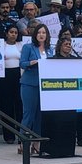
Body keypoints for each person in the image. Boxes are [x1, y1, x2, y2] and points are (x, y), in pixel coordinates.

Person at [19, 23, 51, 155]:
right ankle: (23, 142)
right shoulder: (28, 47)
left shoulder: (50, 50)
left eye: (44, 32)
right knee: (29, 114)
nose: (41, 35)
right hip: (29, 84)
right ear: (35, 35)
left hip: (45, 85)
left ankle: (37, 143)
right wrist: (33, 62)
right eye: (39, 32)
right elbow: (22, 63)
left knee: (40, 115)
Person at [0, 24, 23, 143]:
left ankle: (20, 132)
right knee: (6, 106)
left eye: (16, 32)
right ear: (6, 33)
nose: (13, 34)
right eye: (11, 32)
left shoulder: (21, 45)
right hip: (4, 77)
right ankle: (8, 135)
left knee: (19, 105)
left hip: (18, 76)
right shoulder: (1, 45)